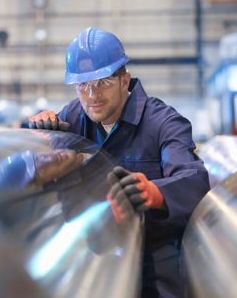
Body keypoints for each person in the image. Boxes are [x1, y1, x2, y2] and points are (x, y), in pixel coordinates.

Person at [28, 27, 210, 298]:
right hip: (93, 251)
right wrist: (38, 130)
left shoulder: (163, 123)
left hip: (154, 259)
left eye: (102, 82)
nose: (92, 96)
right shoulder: (73, 118)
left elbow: (192, 177)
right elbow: (35, 158)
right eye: (83, 85)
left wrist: (154, 193)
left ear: (125, 80)